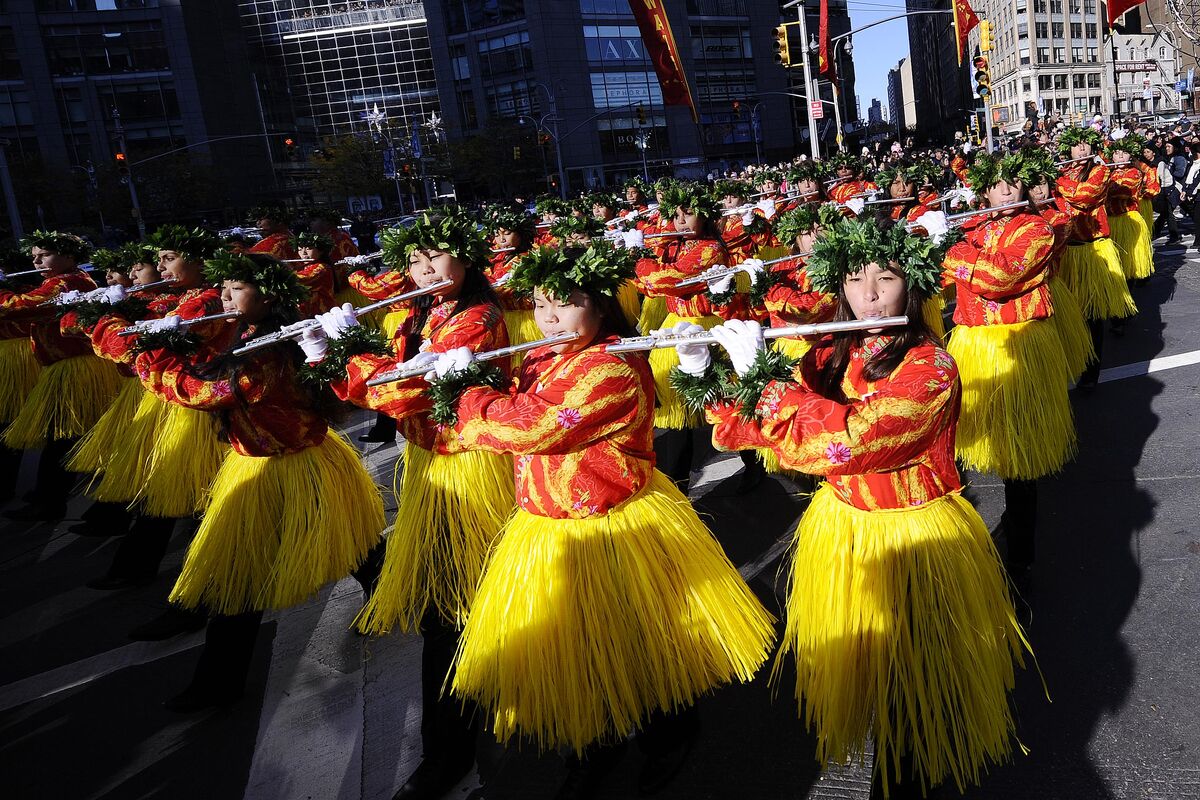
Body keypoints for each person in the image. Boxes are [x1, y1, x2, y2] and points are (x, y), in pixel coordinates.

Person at [674, 215, 1028, 799]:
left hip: (914, 536)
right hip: (845, 528)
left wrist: (763, 381)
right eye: (854, 279)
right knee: (874, 679)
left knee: (915, 685)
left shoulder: (930, 367)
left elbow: (852, 439)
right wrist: (704, 373)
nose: (867, 294)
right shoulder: (830, 357)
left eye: (884, 278)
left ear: (909, 289)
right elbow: (767, 433)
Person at [425, 241, 774, 799]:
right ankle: (595, 745)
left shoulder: (611, 366)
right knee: (579, 650)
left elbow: (533, 426)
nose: (548, 318)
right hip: (546, 524)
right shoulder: (541, 357)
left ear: (600, 306)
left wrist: (467, 390)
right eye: (540, 305)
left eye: (565, 303)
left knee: (639, 641)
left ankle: (669, 735)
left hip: (612, 525)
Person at [300, 209, 514, 800]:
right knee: (447, 609)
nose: (422, 271)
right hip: (429, 468)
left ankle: (453, 750)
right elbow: (376, 390)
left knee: (453, 609)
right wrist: (331, 352)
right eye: (413, 261)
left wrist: (346, 348)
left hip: (467, 469)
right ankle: (460, 736)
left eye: (435, 258)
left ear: (466, 261)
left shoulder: (477, 317)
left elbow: (405, 390)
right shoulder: (420, 314)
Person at [133, 251, 385, 711]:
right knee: (242, 568)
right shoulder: (241, 331)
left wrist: (153, 359)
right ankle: (218, 683)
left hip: (294, 463)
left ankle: (394, 599)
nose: (223, 296)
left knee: (351, 546)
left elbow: (208, 392)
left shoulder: (269, 350)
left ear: (268, 296)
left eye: (236, 288)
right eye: (223, 286)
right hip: (254, 462)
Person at [946, 151, 1073, 602]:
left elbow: (1001, 277)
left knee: (1021, 460)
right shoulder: (969, 225)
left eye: (1013, 184)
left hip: (1019, 345)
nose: (1005, 192)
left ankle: (1019, 559)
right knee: (959, 451)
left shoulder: (1036, 228)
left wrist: (951, 249)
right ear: (982, 189)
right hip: (973, 346)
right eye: (996, 185)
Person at [2, 231, 124, 521]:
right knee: (65, 435)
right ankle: (55, 496)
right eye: (33, 257)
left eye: (43, 255)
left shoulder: (66, 282)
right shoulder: (64, 280)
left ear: (68, 256)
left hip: (74, 369)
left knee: (60, 435)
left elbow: (18, 306)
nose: (36, 261)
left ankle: (53, 501)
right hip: (69, 367)